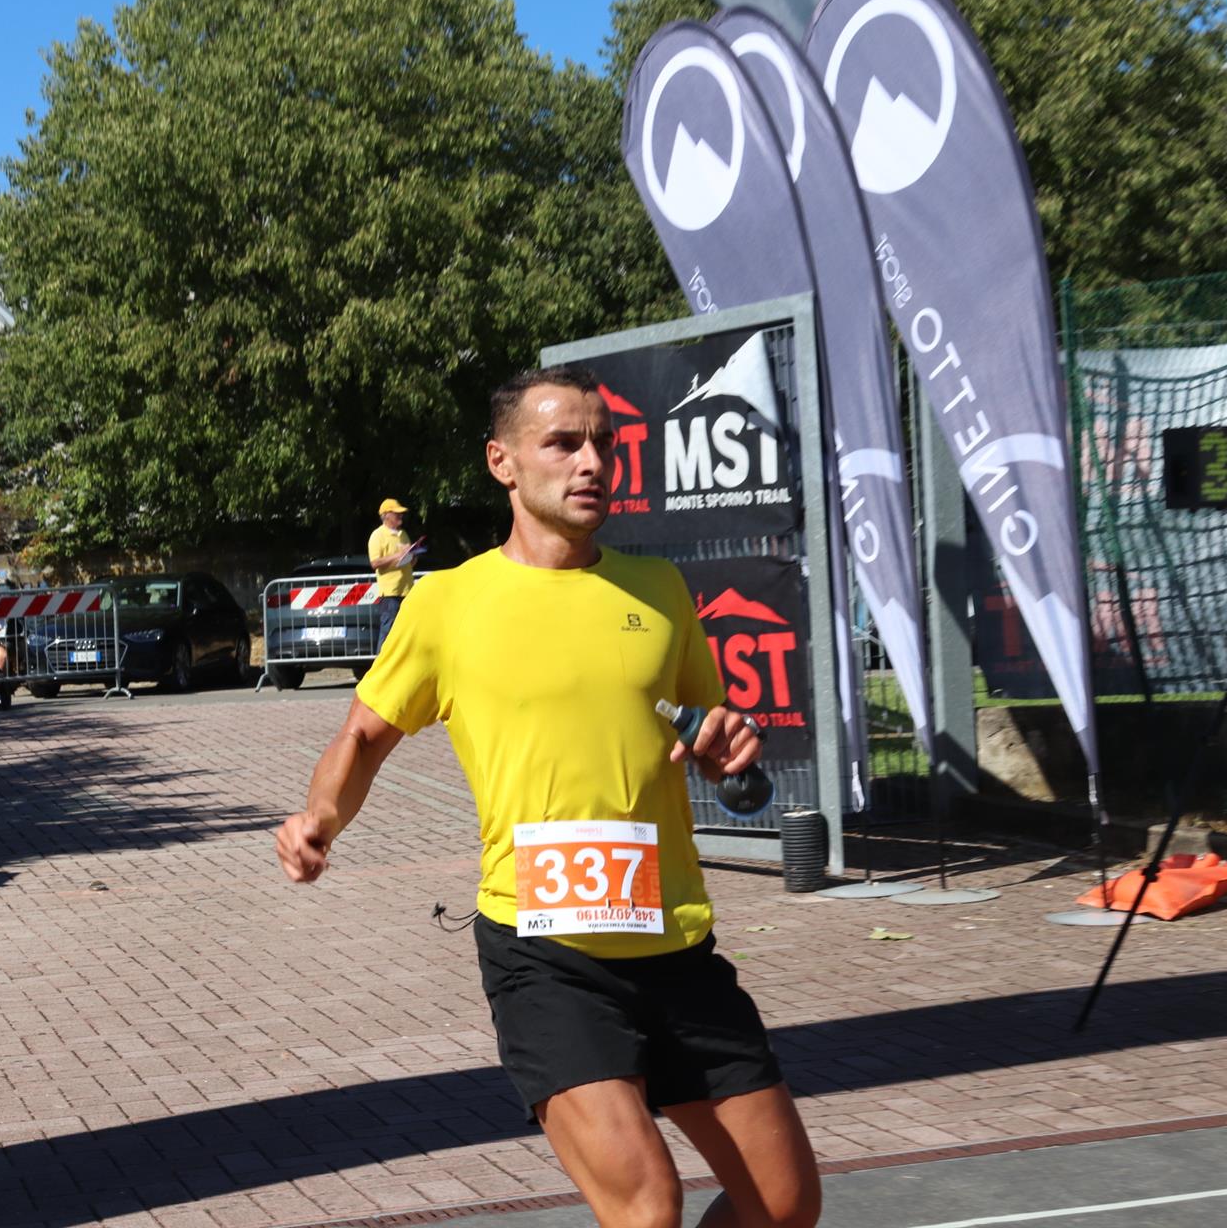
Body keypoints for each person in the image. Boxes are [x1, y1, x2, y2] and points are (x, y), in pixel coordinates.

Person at [276, 367, 821, 1228]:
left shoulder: (660, 589)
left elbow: (705, 737)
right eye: (563, 443)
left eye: (604, 443)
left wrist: (726, 753)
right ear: (503, 461)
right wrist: (319, 821)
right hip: (547, 954)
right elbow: (363, 737)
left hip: (675, 942)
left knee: (784, 1205)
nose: (591, 462)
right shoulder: (448, 602)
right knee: (647, 1204)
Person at [366, 498, 423, 651]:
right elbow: (375, 563)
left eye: (401, 513)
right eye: (397, 513)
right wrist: (398, 555)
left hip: (407, 590)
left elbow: (409, 562)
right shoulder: (377, 535)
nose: (400, 515)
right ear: (386, 515)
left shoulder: (403, 534)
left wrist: (413, 556)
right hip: (390, 593)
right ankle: (381, 664)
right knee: (388, 632)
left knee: (406, 632)